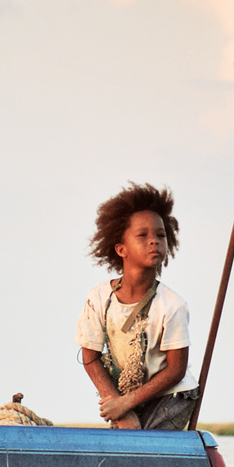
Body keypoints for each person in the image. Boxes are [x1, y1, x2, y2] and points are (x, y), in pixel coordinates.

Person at [76, 183, 198, 430]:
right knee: (124, 445)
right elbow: (90, 358)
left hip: (171, 396)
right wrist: (117, 404)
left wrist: (126, 403)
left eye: (160, 235)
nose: (154, 241)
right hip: (127, 396)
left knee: (142, 449)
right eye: (143, 236)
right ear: (121, 249)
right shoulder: (99, 297)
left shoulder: (172, 305)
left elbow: (176, 370)